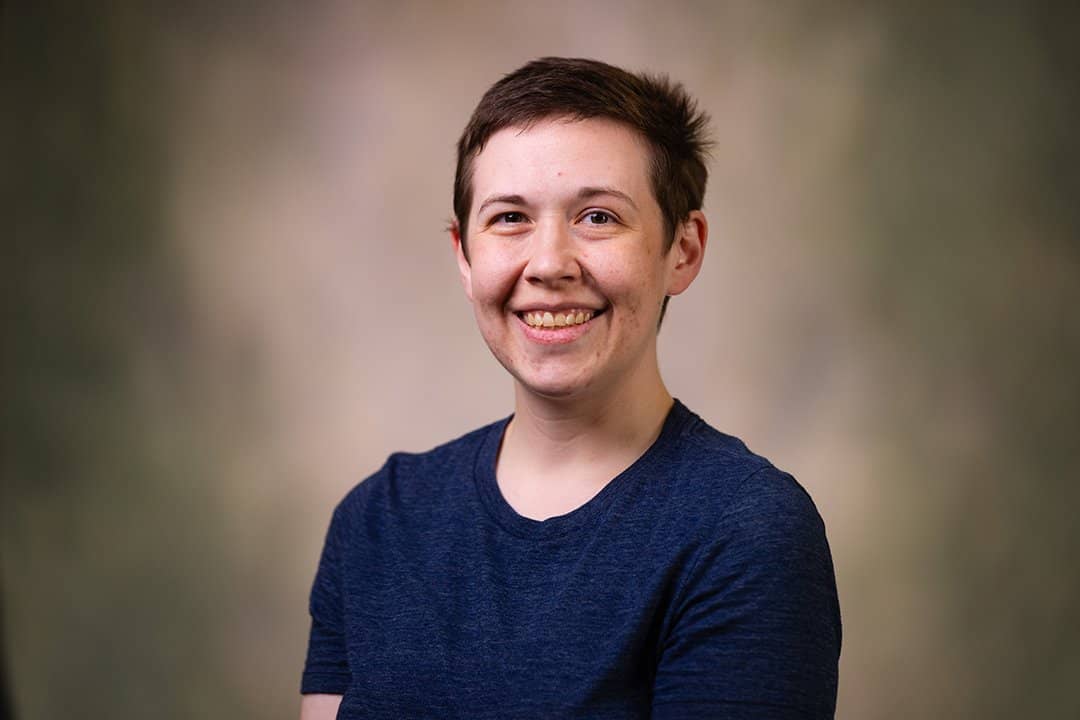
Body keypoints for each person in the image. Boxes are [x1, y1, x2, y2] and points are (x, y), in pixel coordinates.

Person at [300, 57, 841, 719]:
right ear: (464, 256)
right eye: (509, 218)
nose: (550, 264)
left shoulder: (746, 531)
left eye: (599, 217)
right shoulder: (377, 521)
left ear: (684, 250)